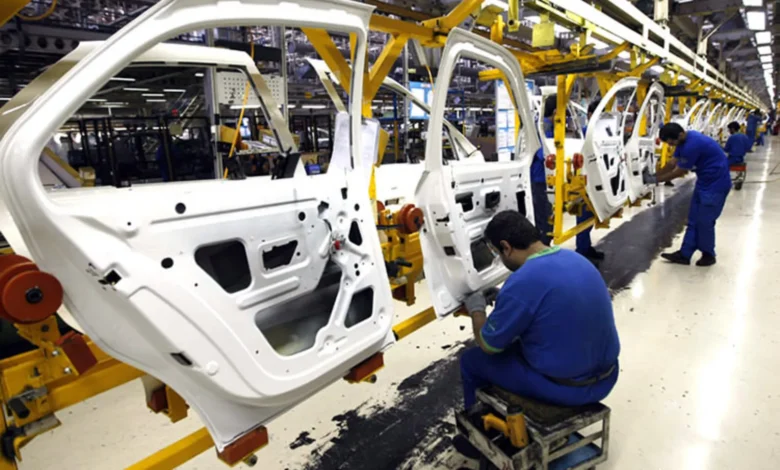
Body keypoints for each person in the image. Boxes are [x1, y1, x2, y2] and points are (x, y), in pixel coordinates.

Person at [458, 211, 620, 417]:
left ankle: (477, 423)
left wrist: (476, 309)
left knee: (471, 361)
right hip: (607, 377)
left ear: (506, 247)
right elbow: (551, 305)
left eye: (498, 253)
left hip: (569, 389)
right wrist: (506, 300)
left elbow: (488, 345)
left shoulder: (522, 281)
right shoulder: (575, 258)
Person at [644, 123, 731, 266]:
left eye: (672, 142)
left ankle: (708, 255)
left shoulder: (692, 145)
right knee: (693, 219)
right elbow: (672, 164)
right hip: (704, 182)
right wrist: (654, 176)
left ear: (680, 134)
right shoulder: (683, 141)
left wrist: (656, 180)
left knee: (705, 222)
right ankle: (685, 254)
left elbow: (680, 172)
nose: (671, 145)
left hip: (716, 185)